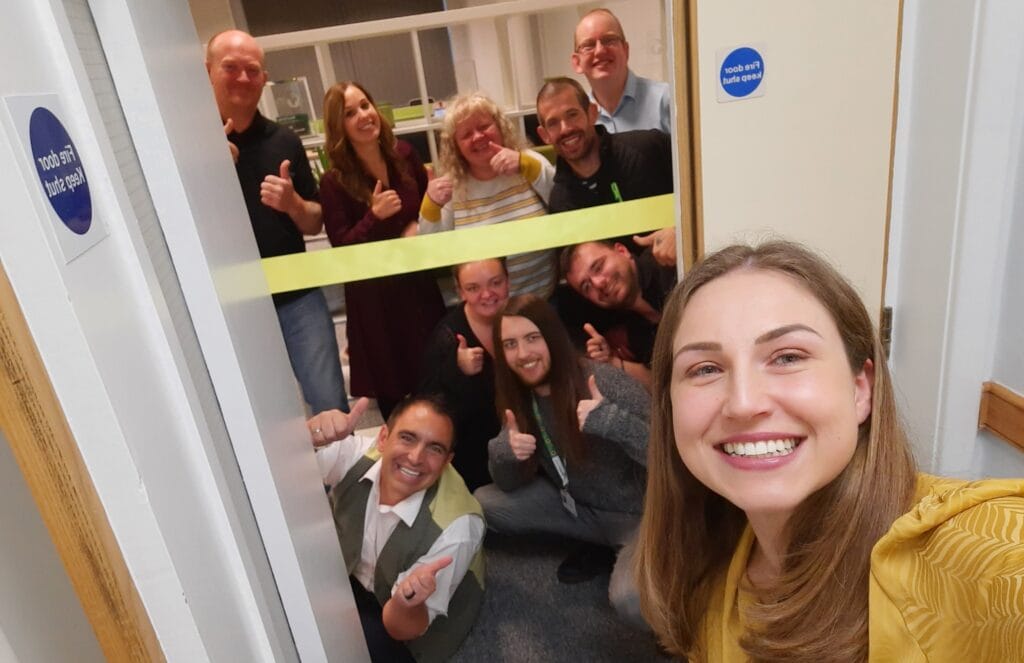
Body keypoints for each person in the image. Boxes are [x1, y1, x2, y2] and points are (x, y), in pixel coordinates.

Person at [635, 240, 1024, 661]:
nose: (744, 403)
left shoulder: (977, 551)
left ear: (861, 389)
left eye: (787, 357)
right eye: (706, 369)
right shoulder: (710, 571)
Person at [474, 295, 650, 623]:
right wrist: (504, 453)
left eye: (532, 338)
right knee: (484, 503)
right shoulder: (518, 396)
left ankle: (621, 553)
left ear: (552, 337)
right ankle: (604, 547)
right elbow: (508, 482)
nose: (522, 354)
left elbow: (671, 461)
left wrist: (615, 423)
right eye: (510, 344)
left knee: (631, 600)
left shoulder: (602, 381)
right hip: (579, 508)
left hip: (639, 516)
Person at [206, 29, 348, 413]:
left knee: (329, 403)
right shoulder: (184, 145)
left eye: (252, 70)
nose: (243, 78)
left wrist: (293, 203)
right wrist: (205, 167)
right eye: (230, 67)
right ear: (207, 72)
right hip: (229, 302)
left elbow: (314, 222)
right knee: (258, 412)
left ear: (264, 79)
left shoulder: (285, 141)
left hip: (296, 297)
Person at [309, 395, 485, 663]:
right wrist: (307, 437)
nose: (415, 457)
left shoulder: (459, 528)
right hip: (351, 576)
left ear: (447, 461)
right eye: (407, 438)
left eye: (435, 449)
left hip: (407, 624)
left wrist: (405, 603)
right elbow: (275, 477)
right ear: (383, 438)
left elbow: (402, 629)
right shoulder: (355, 454)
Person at [319, 81, 445, 420]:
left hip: (418, 288)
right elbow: (341, 247)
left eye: (365, 105)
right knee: (395, 399)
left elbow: (427, 209)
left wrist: (420, 222)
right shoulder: (333, 182)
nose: (363, 115)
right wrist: (373, 217)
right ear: (339, 126)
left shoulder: (404, 154)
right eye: (350, 113)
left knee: (437, 381)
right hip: (375, 303)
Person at [418, 92, 557, 299]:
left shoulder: (528, 161)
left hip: (542, 300)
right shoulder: (451, 187)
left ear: (500, 127)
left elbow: (563, 203)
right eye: (466, 134)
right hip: (484, 307)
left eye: (484, 127)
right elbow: (432, 251)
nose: (477, 137)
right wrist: (431, 204)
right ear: (456, 146)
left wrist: (525, 165)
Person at [536, 76, 676, 265]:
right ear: (544, 135)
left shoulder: (648, 148)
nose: (565, 129)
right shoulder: (561, 203)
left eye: (572, 115)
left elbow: (703, 189)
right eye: (553, 123)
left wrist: (679, 230)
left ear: (592, 113)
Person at [417, 258, 510, 491]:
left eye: (495, 282)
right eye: (473, 288)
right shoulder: (447, 338)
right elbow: (428, 405)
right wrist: (456, 370)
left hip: (524, 443)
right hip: (475, 459)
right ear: (460, 292)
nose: (487, 294)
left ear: (508, 281)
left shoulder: (524, 317)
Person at [559, 240, 676, 388]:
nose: (598, 283)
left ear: (622, 251)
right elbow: (662, 384)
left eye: (598, 267)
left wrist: (676, 236)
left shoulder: (665, 261)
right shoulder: (635, 330)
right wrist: (610, 360)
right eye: (587, 287)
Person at [571, 8, 672, 134]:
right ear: (577, 62)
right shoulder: (578, 117)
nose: (600, 51)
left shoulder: (666, 100)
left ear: (625, 50)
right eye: (589, 45)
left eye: (609, 40)